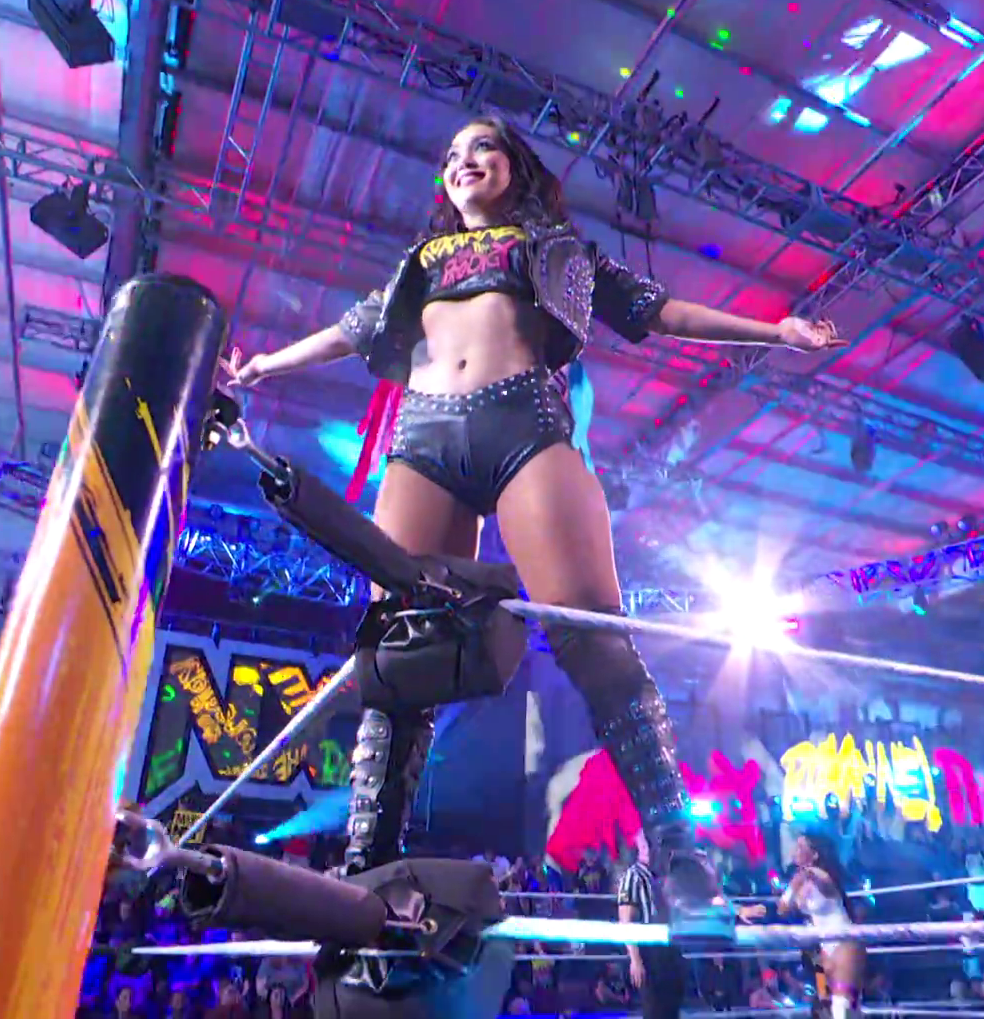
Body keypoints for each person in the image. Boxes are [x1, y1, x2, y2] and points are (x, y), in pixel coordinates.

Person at [218, 115, 842, 921]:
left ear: (514, 165)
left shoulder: (557, 250)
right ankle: (369, 862)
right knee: (401, 652)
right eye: (450, 153)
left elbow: (658, 310)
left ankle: (678, 852)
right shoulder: (423, 260)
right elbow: (351, 329)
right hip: (424, 437)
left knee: (593, 636)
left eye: (480, 146)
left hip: (525, 425)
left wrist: (775, 334)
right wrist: (264, 365)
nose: (463, 161)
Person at [739, 832, 861, 1018]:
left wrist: (806, 873)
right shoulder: (799, 879)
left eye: (801, 848)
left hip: (842, 941)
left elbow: (824, 881)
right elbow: (782, 909)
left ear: (815, 854)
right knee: (825, 1004)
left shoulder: (823, 876)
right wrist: (794, 886)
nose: (795, 851)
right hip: (820, 948)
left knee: (842, 1008)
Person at [617, 832, 686, 1019]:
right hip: (649, 952)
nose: (650, 850)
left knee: (671, 1006)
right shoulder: (633, 876)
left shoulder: (657, 877)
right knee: (654, 1008)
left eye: (652, 846)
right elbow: (625, 920)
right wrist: (635, 959)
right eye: (645, 846)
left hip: (668, 949)